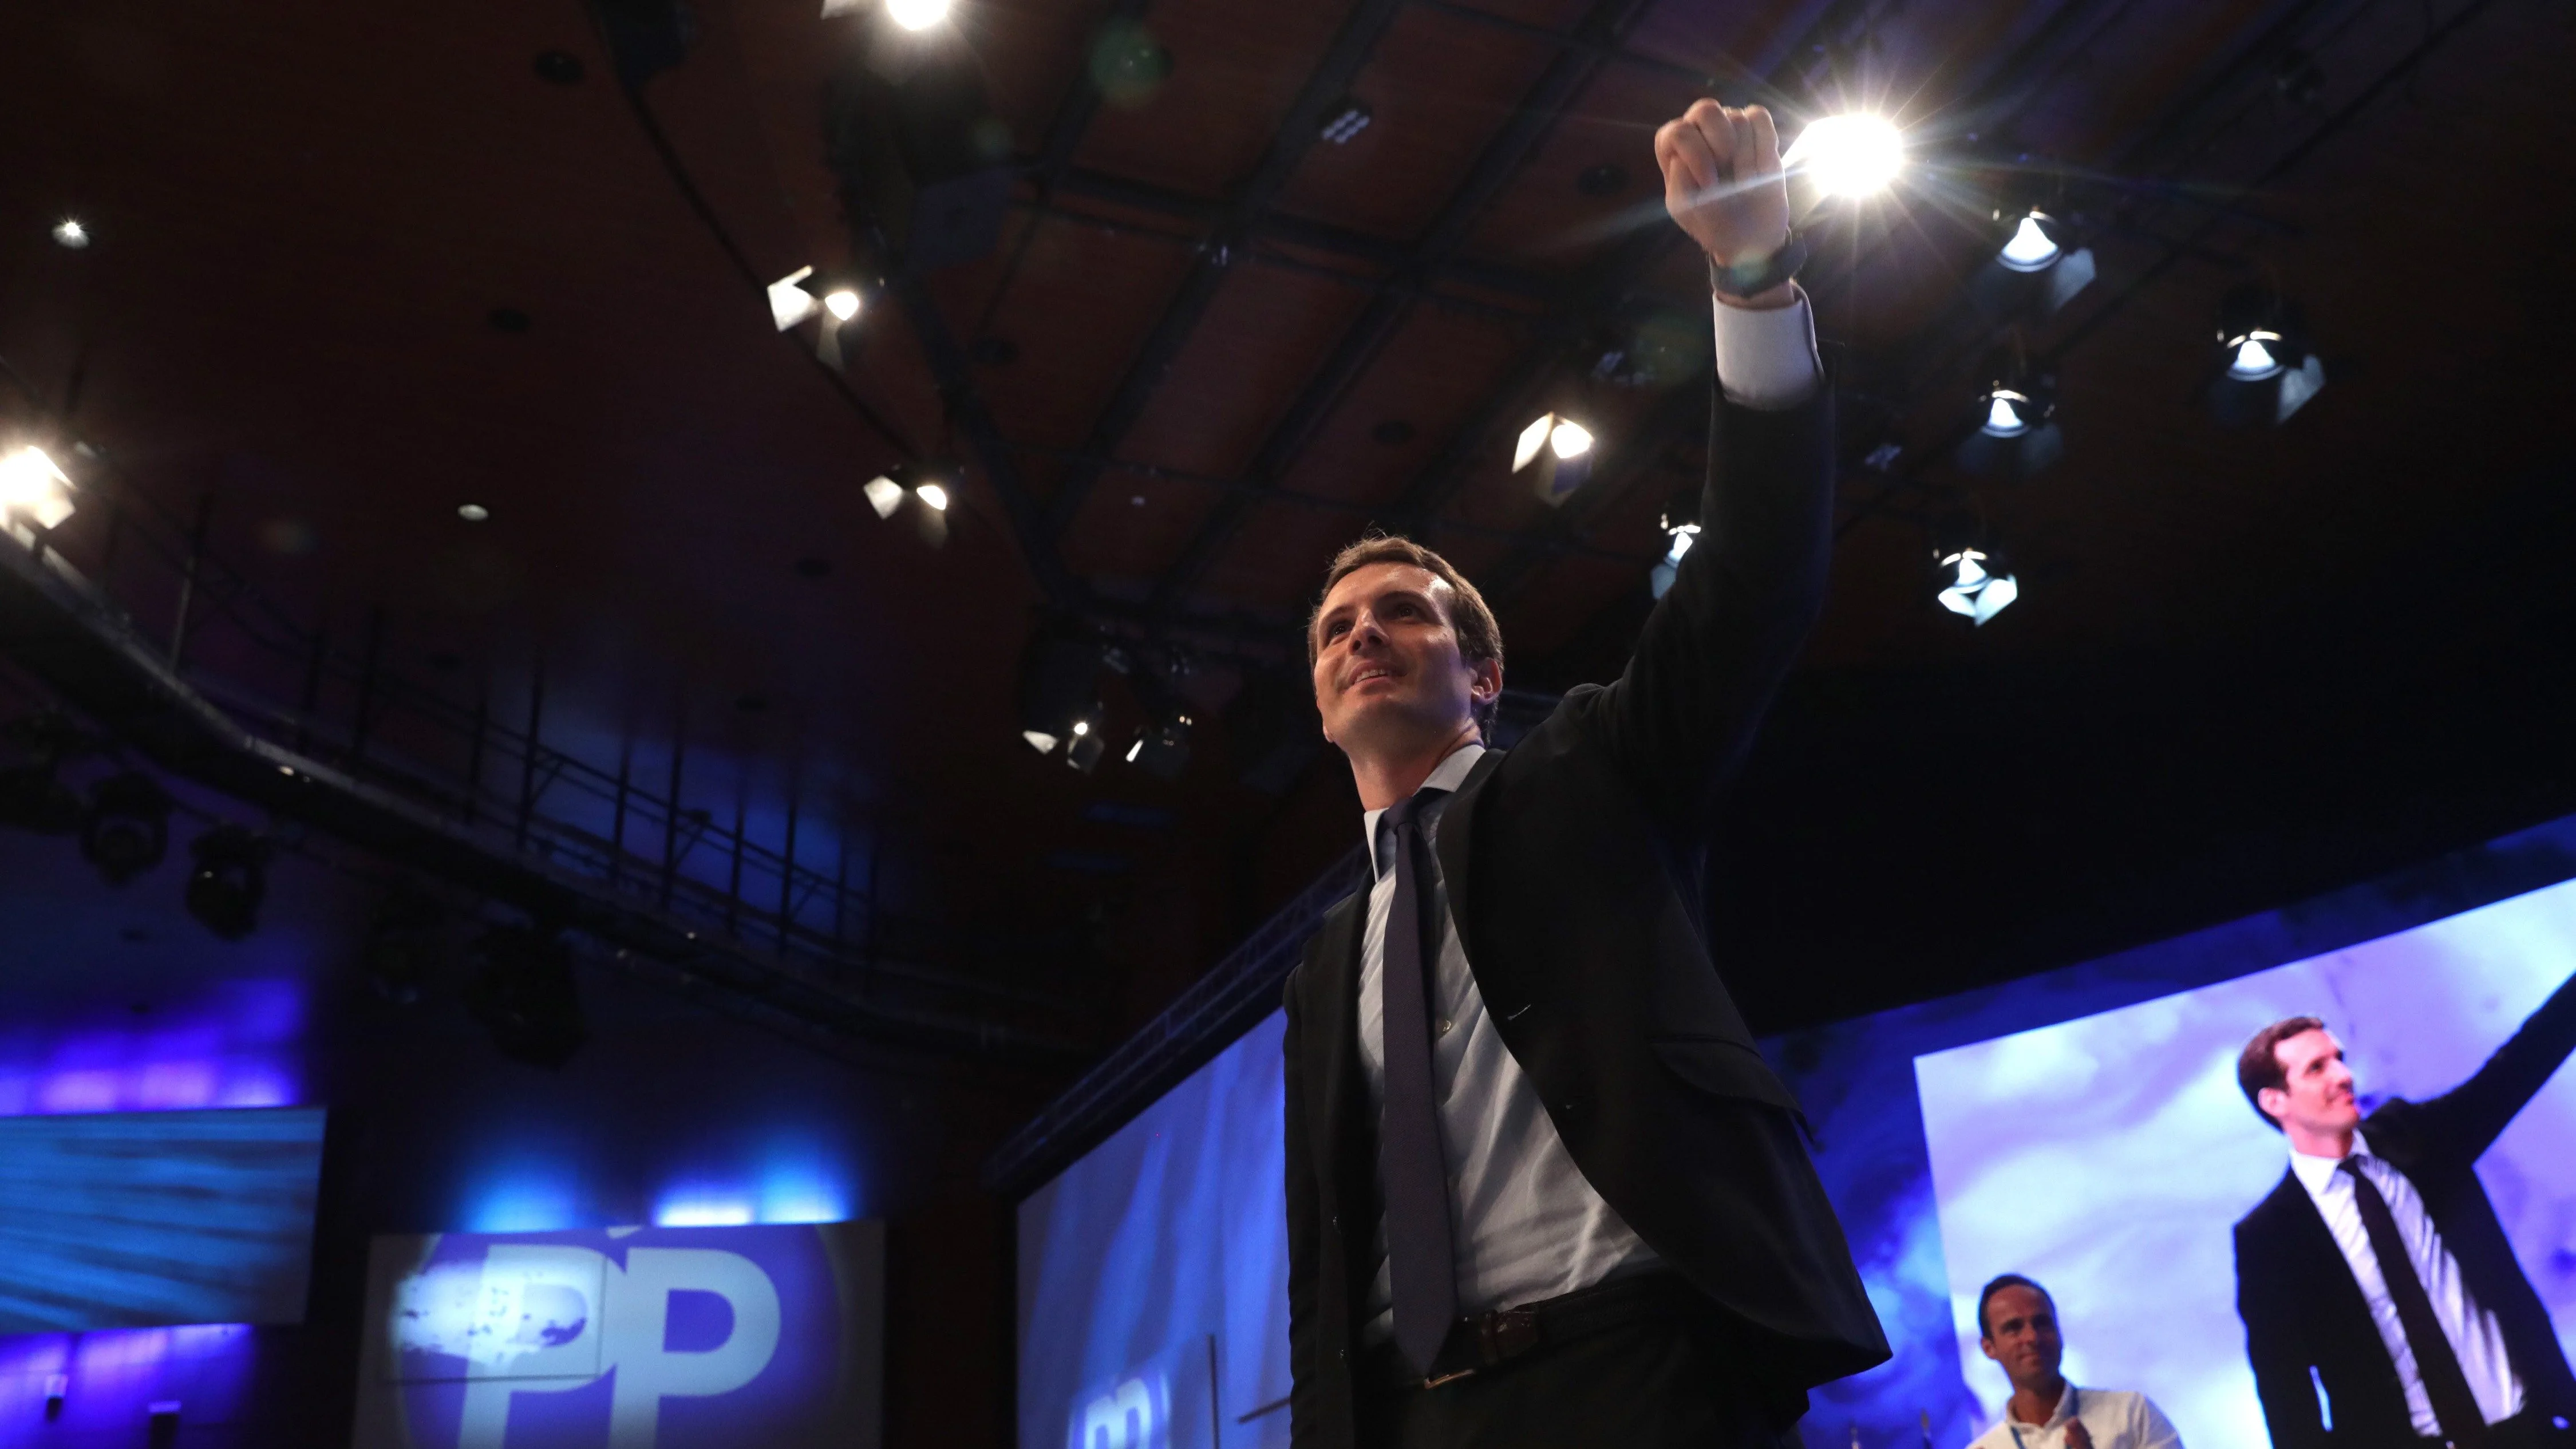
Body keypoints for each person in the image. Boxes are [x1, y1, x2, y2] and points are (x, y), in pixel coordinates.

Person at [1278, 98, 1887, 1449]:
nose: (1362, 633)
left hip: (1635, 1372)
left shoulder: (1590, 770)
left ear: (1482, 677)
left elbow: (1749, 584)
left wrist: (1746, 276)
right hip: (1409, 1411)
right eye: (1334, 628)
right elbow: (1321, 1244)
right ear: (1318, 698)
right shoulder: (1324, 962)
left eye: (1404, 612)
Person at [2232, 974, 2576, 1449]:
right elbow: (2286, 1392)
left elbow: (2517, 1065)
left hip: (2533, 1430)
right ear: (2275, 1101)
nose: (2342, 1075)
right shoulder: (2270, 1238)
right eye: (2317, 1068)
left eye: (2339, 1059)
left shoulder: (2420, 1139)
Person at [1963, 1274, 2183, 1449]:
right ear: (1988, 1348)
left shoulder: (2132, 1414)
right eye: (2014, 1328)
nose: (2032, 1337)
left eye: (2042, 1323)